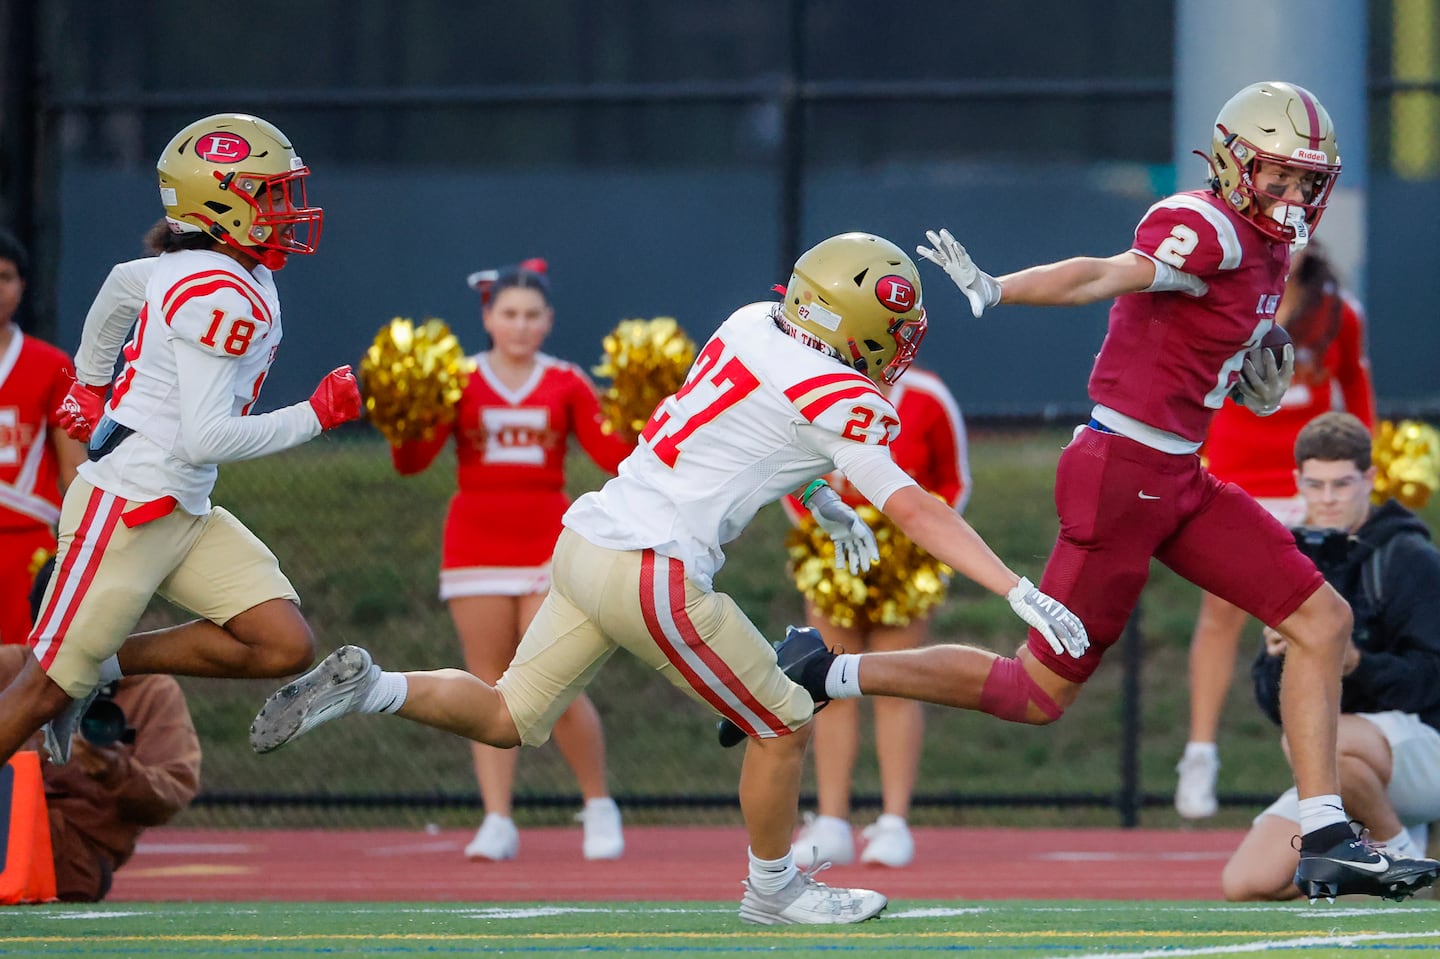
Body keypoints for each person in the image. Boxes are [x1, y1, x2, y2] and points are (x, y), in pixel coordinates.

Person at [248, 231, 1086, 925]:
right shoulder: (842, 392)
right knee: (785, 721)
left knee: (508, 713)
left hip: (586, 541)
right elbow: (916, 509)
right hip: (655, 569)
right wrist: (1015, 586)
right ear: (849, 323)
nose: (897, 349)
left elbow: (753, 425)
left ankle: (372, 688)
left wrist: (820, 494)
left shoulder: (755, 322)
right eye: (889, 330)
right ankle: (774, 890)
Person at [753, 81, 1438, 901]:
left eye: (1306, 181)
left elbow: (1218, 340)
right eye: (1278, 177)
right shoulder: (1206, 223)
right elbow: (1103, 276)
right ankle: (823, 670)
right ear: (1231, 164)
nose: (1293, 197)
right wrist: (1001, 286)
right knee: (1032, 692)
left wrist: (1250, 362)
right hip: (1124, 476)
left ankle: (1325, 833)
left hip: (1176, 474)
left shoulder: (1266, 248)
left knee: (1321, 618)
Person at [0, 113, 363, 774]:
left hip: (181, 507)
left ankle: (101, 661)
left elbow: (118, 284)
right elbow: (206, 437)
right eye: (271, 193)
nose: (288, 207)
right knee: (39, 690)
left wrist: (87, 381)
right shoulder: (218, 290)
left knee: (283, 643)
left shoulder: (205, 264)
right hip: (129, 508)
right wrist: (315, 414)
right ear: (219, 202)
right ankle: (79, 668)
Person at [387, 262, 630, 862]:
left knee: (557, 677)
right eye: (509, 314)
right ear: (488, 318)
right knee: (489, 682)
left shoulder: (567, 382)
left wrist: (642, 411)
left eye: (532, 315)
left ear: (548, 322)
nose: (520, 326)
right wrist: (404, 414)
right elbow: (412, 462)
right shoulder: (454, 379)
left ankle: (598, 805)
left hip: (550, 543)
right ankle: (498, 819)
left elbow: (613, 453)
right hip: (474, 544)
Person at [1175, 241, 1377, 819]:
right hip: (1235, 478)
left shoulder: (1339, 312)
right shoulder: (1223, 299)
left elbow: (1357, 398)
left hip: (1309, 484)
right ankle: (1200, 752)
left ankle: (1320, 769)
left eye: (1304, 226)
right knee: (1220, 614)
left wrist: (1365, 471)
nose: (1290, 239)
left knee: (1319, 623)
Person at [1222, 412, 1440, 900]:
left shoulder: (1410, 558)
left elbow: (1433, 681)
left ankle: (1398, 856)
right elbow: (1273, 704)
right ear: (1298, 481)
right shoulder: (1292, 557)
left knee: (1321, 739)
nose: (1326, 499)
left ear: (1369, 479)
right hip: (1348, 766)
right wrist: (1281, 660)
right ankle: (1381, 857)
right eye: (1315, 485)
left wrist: (1356, 665)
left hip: (1424, 748)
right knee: (1246, 882)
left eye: (1341, 485)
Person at [785, 367, 970, 868]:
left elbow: (953, 482)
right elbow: (792, 475)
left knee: (897, 683)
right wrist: (819, 535)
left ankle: (893, 822)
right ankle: (832, 822)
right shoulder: (814, 391)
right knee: (827, 687)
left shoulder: (929, 398)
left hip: (903, 566)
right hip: (833, 562)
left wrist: (920, 548)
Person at [0, 564, 201, 902]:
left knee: (56, 849)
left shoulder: (151, 691)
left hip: (79, 849)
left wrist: (118, 771)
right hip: (7, 820)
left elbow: (172, 791)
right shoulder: (10, 669)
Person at [0, 227, 88, 645]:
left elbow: (74, 470)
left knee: (24, 666)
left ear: (22, 285)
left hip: (28, 540)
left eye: (5, 277)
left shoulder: (51, 365)